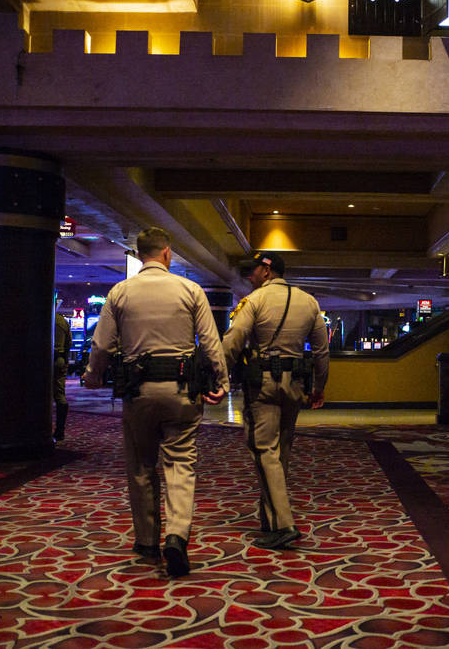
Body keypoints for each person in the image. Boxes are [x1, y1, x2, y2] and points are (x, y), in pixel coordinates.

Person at [80, 227, 228, 577]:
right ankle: (177, 536)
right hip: (182, 393)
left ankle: (147, 540)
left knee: (141, 466)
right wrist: (221, 381)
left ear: (139, 254)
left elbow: (101, 346)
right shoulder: (190, 290)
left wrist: (92, 376)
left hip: (139, 393)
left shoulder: (120, 292)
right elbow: (210, 342)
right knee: (180, 465)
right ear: (166, 253)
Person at [221, 251, 330, 550]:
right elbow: (321, 352)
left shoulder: (255, 301)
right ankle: (269, 520)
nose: (249, 276)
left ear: (267, 271)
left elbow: (233, 341)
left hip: (264, 385)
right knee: (280, 451)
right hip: (295, 385)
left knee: (264, 450)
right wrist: (319, 387)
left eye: (253, 271)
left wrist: (219, 377)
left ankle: (283, 524)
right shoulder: (309, 302)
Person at [53, 301, 71, 441]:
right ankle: (60, 430)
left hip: (42, 361)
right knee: (60, 395)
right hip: (59, 359)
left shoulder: (42, 318)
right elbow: (69, 343)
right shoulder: (62, 321)